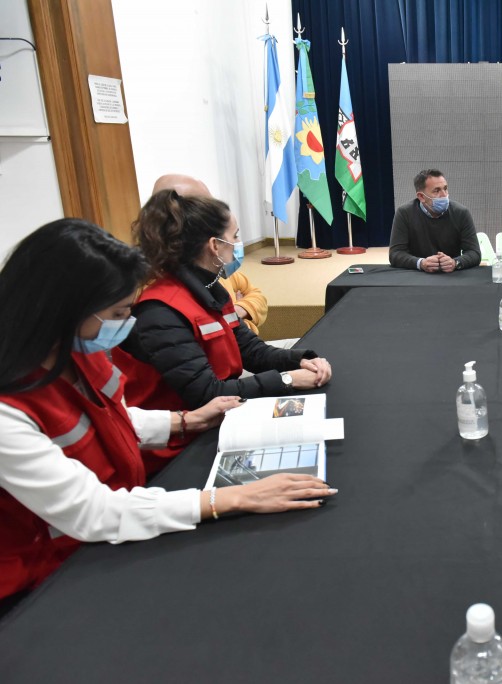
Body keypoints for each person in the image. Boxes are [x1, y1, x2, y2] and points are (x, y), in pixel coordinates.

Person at [0, 220, 336, 612]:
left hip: (113, 529)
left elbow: (108, 416)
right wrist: (232, 498)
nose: (126, 324)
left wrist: (182, 421)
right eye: (118, 313)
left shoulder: (76, 351)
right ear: (64, 311)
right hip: (43, 576)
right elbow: (91, 512)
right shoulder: (9, 409)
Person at [112, 190, 332, 473]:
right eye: (235, 236)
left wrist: (299, 360)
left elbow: (250, 350)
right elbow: (206, 394)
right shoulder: (160, 311)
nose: (238, 245)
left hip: (221, 419)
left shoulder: (210, 288)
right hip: (180, 449)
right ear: (215, 245)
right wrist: (287, 380)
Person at [151, 174, 297, 348]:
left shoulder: (216, 268)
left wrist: (236, 311)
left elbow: (258, 299)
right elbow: (226, 344)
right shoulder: (163, 295)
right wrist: (234, 318)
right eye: (204, 206)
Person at [388, 168, 481, 272]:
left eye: (445, 189)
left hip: (451, 276)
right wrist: (421, 263)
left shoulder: (461, 213)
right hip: (416, 275)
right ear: (421, 197)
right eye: (437, 191)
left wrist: (455, 263)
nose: (444, 195)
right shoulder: (404, 213)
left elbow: (474, 253)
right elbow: (396, 254)